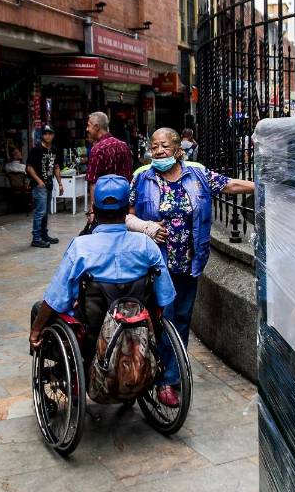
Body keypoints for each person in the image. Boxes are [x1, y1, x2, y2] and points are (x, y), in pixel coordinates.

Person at [126, 127, 255, 406]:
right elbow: (127, 214)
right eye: (154, 146)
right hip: (156, 263)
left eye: (164, 146)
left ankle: (174, 373)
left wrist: (261, 187)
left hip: (189, 262)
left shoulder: (196, 173)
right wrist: (145, 227)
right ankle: (163, 379)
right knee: (165, 318)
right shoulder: (142, 177)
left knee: (182, 318)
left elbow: (229, 185)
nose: (158, 151)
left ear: (178, 149)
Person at [30, 175, 174, 351]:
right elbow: (164, 295)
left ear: (94, 210)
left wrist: (36, 330)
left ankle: (57, 371)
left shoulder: (80, 247)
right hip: (139, 330)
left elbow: (56, 297)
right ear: (126, 212)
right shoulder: (146, 245)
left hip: (92, 333)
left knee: (39, 310)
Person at [84, 111, 133, 226]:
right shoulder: (124, 146)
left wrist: (92, 210)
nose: (87, 129)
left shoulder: (97, 149)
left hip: (104, 204)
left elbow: (93, 182)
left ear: (96, 127)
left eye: (88, 125)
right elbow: (129, 177)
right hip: (123, 203)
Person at [27, 126, 63, 247]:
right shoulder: (36, 149)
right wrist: (38, 181)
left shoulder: (54, 149)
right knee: (40, 212)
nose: (48, 136)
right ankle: (36, 238)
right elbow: (29, 167)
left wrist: (60, 183)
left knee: (45, 212)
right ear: (42, 135)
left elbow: (56, 166)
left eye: (50, 134)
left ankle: (44, 235)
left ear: (53, 135)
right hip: (39, 186)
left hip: (49, 184)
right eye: (45, 134)